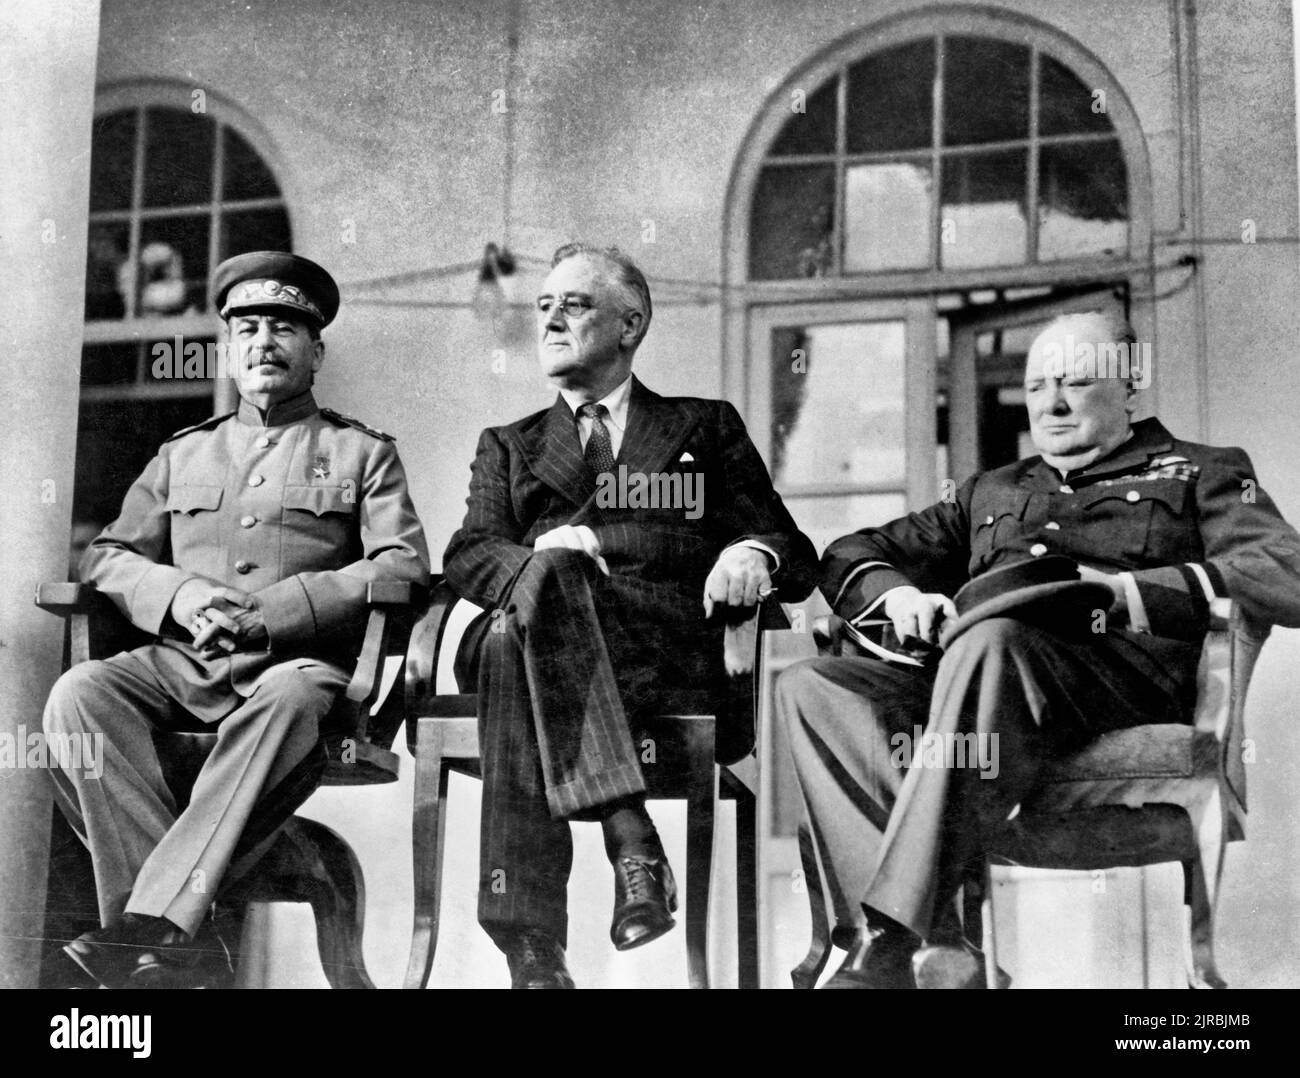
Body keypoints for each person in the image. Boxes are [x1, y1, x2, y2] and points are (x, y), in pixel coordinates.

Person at [776, 309, 1300, 989]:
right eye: (1037, 386)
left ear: (1131, 383)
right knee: (815, 686)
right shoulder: (991, 491)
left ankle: (892, 941)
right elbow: (852, 553)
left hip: (1115, 684)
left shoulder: (1202, 471)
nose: (1051, 404)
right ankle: (943, 942)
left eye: (1077, 384)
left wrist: (1130, 594)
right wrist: (903, 599)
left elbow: (1285, 569)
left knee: (991, 636)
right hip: (986, 694)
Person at [43, 251, 430, 987]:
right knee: (80, 691)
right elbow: (109, 555)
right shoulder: (183, 452)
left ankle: (146, 928)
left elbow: (402, 567)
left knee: (288, 696)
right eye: (247, 327)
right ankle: (164, 931)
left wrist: (275, 614)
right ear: (227, 348)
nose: (263, 342)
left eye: (284, 328)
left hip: (293, 676)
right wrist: (180, 596)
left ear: (315, 351)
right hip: (183, 667)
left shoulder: (363, 453)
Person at [443, 242, 817, 988]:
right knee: (531, 606)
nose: (549, 319)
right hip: (544, 639)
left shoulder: (702, 428)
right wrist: (555, 564)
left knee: (510, 646)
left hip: (664, 648)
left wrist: (751, 553)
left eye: (573, 305)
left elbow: (794, 553)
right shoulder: (510, 445)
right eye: (543, 305)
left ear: (630, 323)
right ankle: (632, 837)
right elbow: (467, 556)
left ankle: (531, 947)